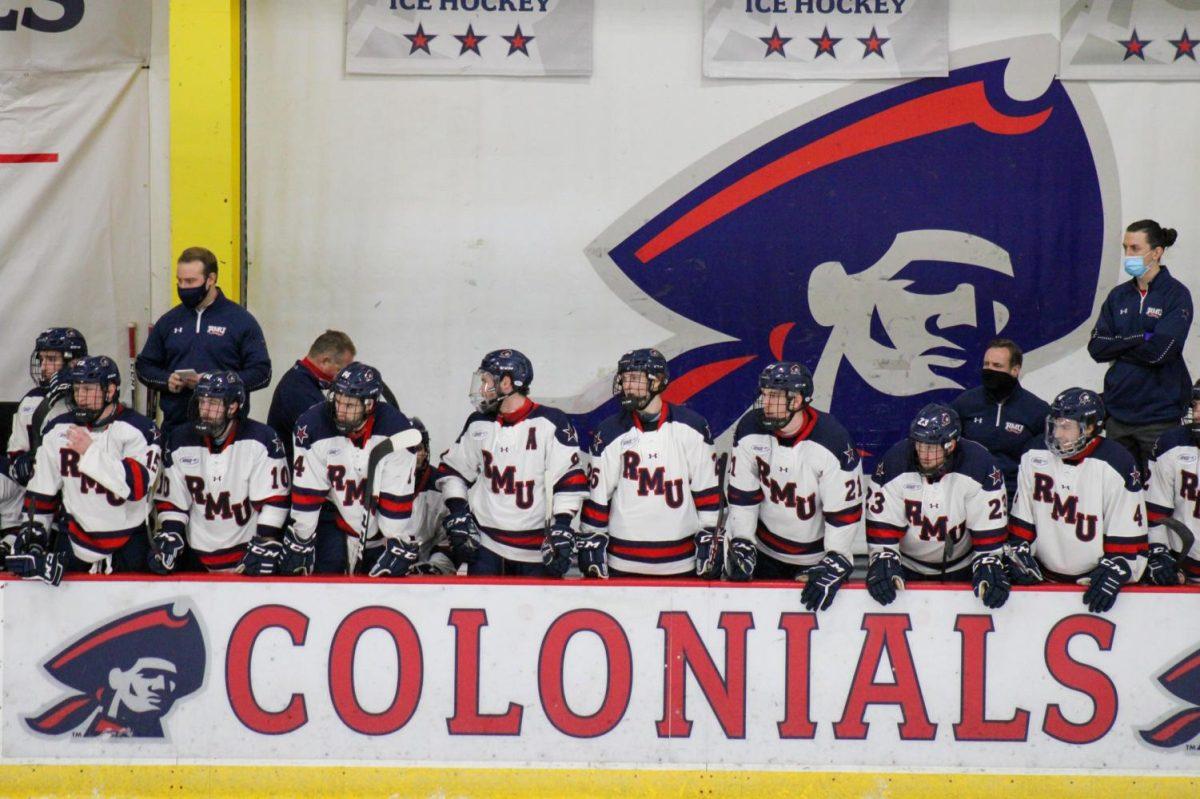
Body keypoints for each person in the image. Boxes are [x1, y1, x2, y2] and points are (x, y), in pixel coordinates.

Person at [5, 356, 161, 583]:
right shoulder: (58, 428)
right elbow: (42, 490)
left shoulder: (141, 429)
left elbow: (135, 485)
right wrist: (34, 534)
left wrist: (89, 452)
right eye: (77, 389)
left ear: (110, 390)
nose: (82, 397)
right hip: (74, 542)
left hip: (129, 543)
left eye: (89, 389)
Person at [724, 361, 863, 610]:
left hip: (815, 559)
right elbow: (742, 496)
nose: (765, 402)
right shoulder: (750, 428)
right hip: (764, 552)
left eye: (774, 396)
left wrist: (836, 556)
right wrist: (743, 540)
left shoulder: (832, 440)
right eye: (764, 394)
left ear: (797, 401)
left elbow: (844, 513)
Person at [436, 349, 587, 577]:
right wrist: (458, 511)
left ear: (506, 383)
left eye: (486, 381)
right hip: (485, 547)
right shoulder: (479, 423)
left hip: (536, 550)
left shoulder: (551, 422)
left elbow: (569, 481)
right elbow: (454, 470)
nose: (481, 389)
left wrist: (562, 525)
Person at [578, 348, 722, 579]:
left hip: (681, 563)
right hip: (622, 563)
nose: (628, 386)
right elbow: (598, 495)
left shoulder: (692, 426)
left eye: (635, 379)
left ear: (659, 382)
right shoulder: (609, 431)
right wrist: (591, 537)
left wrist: (711, 536)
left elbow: (707, 492)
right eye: (625, 379)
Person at [1007, 388, 1148, 613]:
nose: (1058, 434)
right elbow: (1022, 525)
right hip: (1042, 582)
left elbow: (1127, 539)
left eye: (1066, 426)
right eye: (1055, 424)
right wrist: (1018, 552)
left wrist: (1119, 567)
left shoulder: (1117, 463)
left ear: (1090, 427)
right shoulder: (1034, 454)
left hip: (1092, 583)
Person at [865, 404, 1011, 609]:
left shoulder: (980, 465)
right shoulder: (894, 462)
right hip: (906, 568)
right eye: (920, 444)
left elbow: (988, 530)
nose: (924, 453)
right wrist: (882, 556)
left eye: (931, 447)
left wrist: (989, 559)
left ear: (951, 445)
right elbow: (882, 526)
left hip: (963, 567)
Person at [284, 362, 420, 576]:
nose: (340, 411)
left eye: (349, 406)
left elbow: (395, 501)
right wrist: (302, 537)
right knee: (328, 581)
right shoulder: (313, 426)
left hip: (379, 532)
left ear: (369, 405)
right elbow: (308, 493)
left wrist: (397, 540)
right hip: (334, 519)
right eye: (338, 402)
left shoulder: (396, 430)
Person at [152, 372, 290, 574]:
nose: (205, 410)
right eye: (202, 402)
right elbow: (173, 500)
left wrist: (265, 541)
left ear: (233, 407)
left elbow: (274, 499)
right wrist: (172, 535)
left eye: (213, 403)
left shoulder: (262, 439)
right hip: (197, 555)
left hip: (247, 554)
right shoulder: (180, 439)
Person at [1088, 220, 1191, 476]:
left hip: (1159, 417)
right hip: (1118, 414)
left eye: (1135, 248)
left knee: (1160, 499)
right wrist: (1140, 337)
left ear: (1156, 252)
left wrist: (1119, 344)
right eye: (1125, 248)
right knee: (1118, 492)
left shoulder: (1176, 294)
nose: (1128, 255)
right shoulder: (1117, 296)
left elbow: (1161, 352)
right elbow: (1097, 348)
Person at [136, 247, 271, 437]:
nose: (183, 287)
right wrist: (167, 380)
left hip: (228, 431)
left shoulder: (241, 320)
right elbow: (144, 366)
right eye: (179, 281)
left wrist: (217, 383)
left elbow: (262, 373)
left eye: (191, 281)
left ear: (211, 279)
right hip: (177, 428)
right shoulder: (169, 321)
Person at [1, 328, 88, 547]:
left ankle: (30, 537)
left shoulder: (88, 399)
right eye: (42, 359)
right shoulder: (31, 400)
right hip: (32, 480)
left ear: (74, 361)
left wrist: (73, 387)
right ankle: (12, 535)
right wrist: (20, 461)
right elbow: (16, 448)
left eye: (52, 359)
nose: (44, 367)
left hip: (70, 482)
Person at [950, 338, 1050, 503]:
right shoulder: (965, 403)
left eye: (997, 366)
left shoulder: (1037, 410)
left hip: (1016, 498)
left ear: (1015, 370)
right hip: (968, 495)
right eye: (986, 364)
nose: (990, 370)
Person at [266, 330, 357, 464]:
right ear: (325, 361)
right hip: (295, 474)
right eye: (340, 371)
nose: (342, 378)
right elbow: (329, 439)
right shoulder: (300, 391)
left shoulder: (298, 379)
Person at [1144, 380, 1200, 585]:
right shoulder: (1171, 444)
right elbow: (1155, 514)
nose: (1196, 414)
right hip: (1183, 570)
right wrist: (1158, 552)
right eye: (1195, 405)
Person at [405, 417, 456, 575]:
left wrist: (433, 567)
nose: (413, 455)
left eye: (418, 448)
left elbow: (449, 542)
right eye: (407, 449)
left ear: (426, 450)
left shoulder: (441, 486)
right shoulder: (378, 484)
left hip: (425, 578)